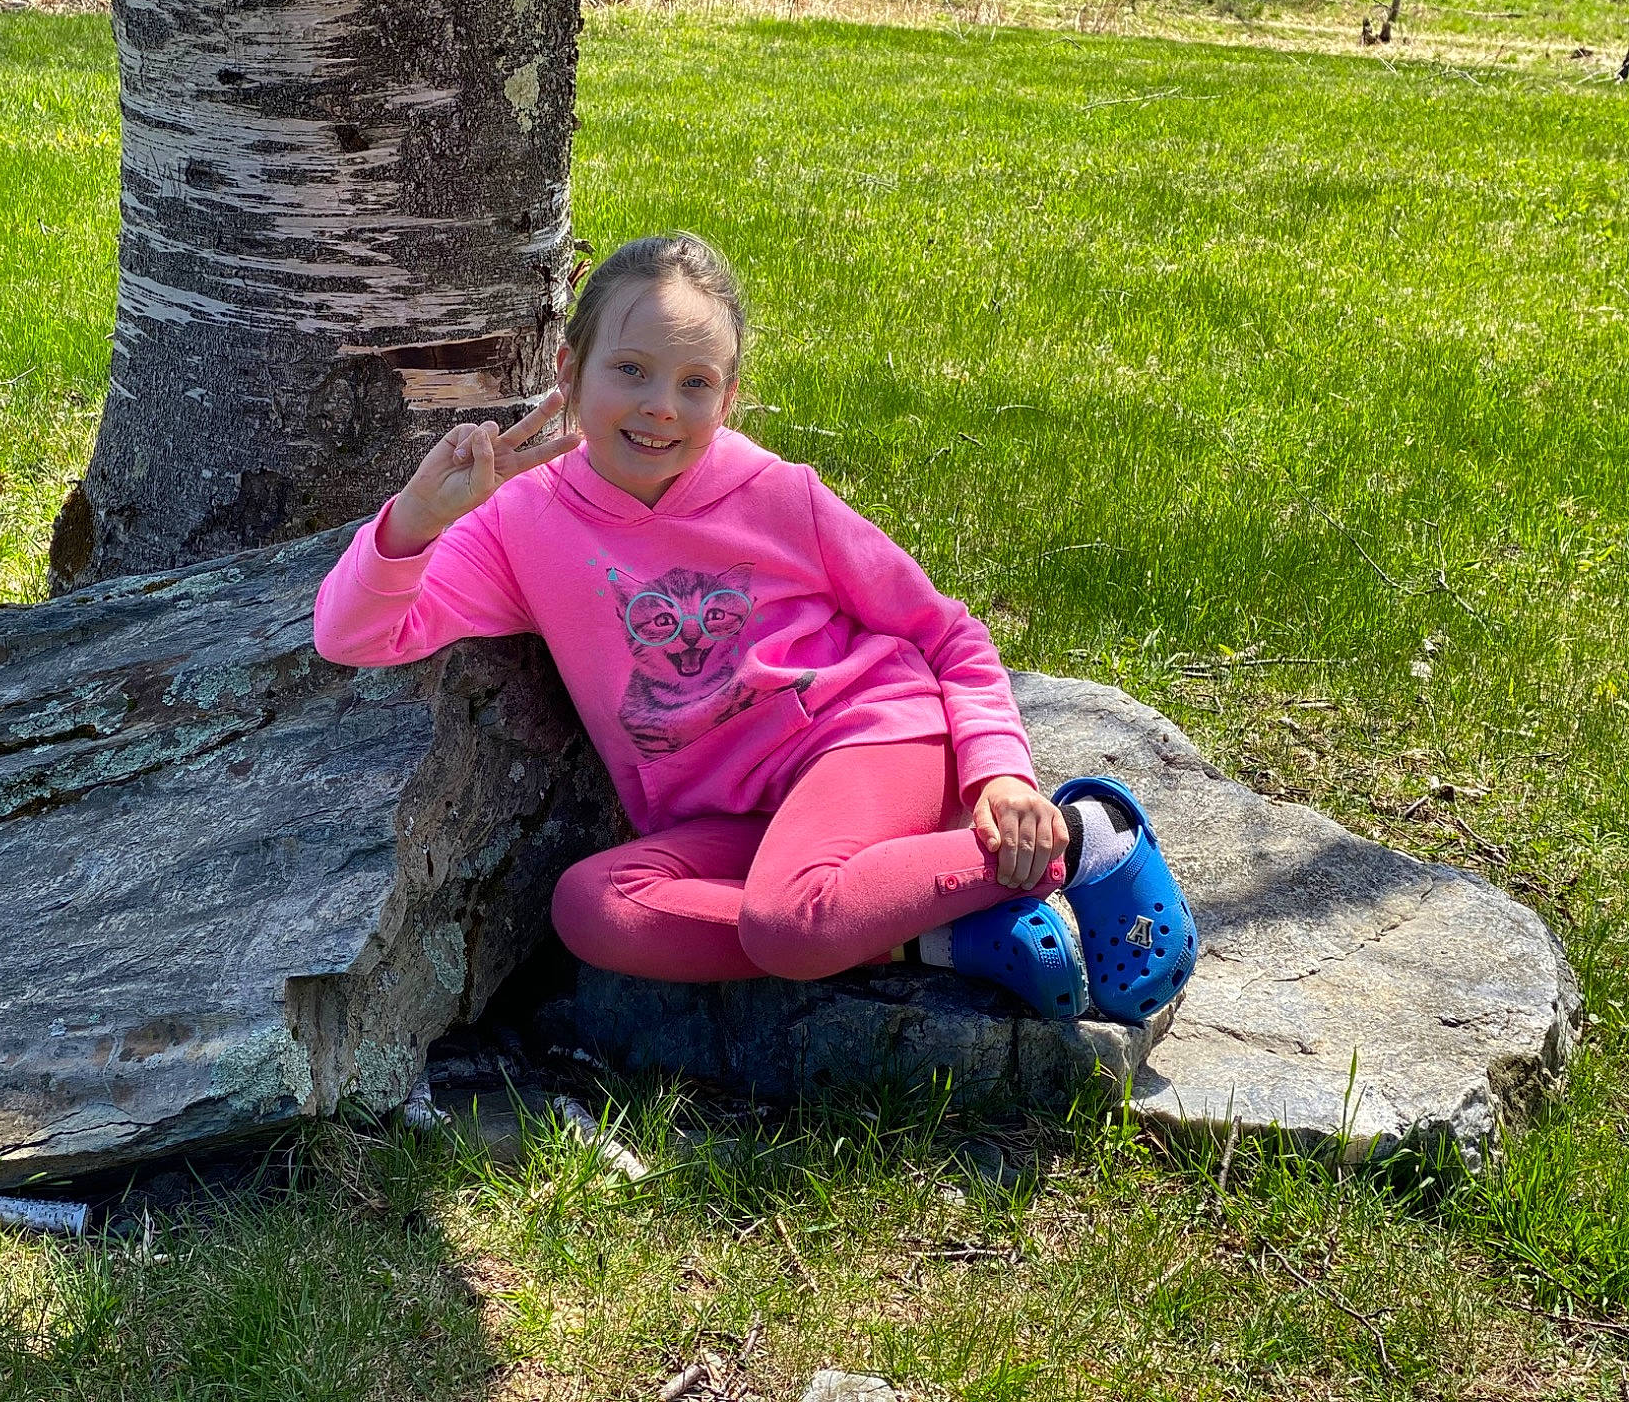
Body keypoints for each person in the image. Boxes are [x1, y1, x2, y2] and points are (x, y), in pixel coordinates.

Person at [314, 233, 1193, 1023]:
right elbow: (352, 636)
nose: (662, 405)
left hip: (867, 743)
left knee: (788, 923)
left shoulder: (779, 495)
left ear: (729, 399)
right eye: (630, 370)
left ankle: (1079, 842)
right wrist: (417, 521)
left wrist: (1001, 776)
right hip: (744, 818)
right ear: (568, 369)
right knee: (593, 907)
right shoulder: (519, 522)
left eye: (695, 383)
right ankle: (937, 931)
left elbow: (947, 633)